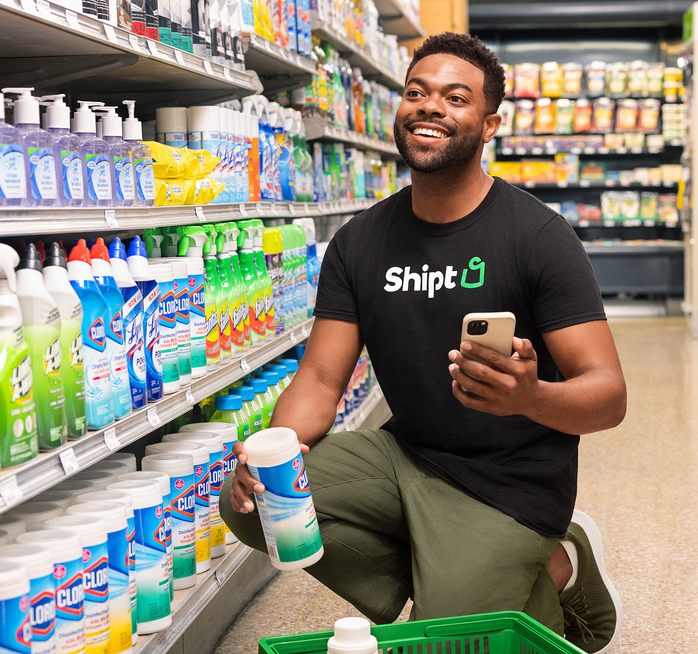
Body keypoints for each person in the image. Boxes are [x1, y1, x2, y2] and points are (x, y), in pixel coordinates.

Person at [221, 32, 627, 654]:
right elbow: (323, 379)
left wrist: (530, 396)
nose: (430, 106)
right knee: (253, 508)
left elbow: (608, 396)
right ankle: (451, 566)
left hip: (510, 483)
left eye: (455, 97)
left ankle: (564, 575)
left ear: (490, 124)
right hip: (406, 456)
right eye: (416, 92)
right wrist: (271, 455)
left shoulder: (539, 237)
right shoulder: (360, 242)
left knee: (445, 644)